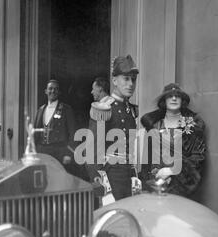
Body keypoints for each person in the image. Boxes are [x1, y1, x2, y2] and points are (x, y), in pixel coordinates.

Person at [85, 55, 139, 201]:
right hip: (110, 176)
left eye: (133, 79)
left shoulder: (130, 110)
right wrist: (99, 182)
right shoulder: (105, 108)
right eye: (126, 79)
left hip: (127, 174)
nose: (130, 84)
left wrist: (133, 174)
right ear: (115, 80)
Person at [140, 83, 206, 199]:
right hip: (156, 185)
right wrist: (148, 183)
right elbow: (147, 162)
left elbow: (198, 158)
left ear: (182, 101)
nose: (174, 98)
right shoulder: (155, 126)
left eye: (177, 96)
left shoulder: (191, 126)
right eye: (170, 96)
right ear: (164, 101)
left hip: (180, 187)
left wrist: (171, 171)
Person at [34, 80, 77, 167]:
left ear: (59, 92)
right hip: (42, 152)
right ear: (46, 91)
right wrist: (33, 152)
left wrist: (68, 154)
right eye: (50, 89)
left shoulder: (66, 109)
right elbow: (35, 133)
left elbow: (73, 133)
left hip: (59, 152)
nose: (53, 91)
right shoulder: (41, 110)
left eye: (55, 89)